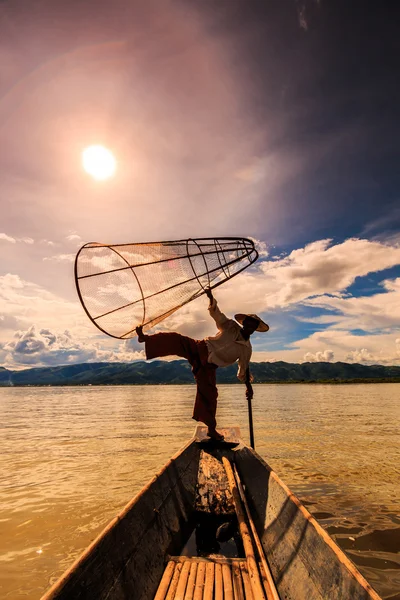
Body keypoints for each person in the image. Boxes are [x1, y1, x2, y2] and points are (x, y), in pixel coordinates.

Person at [135, 289, 269, 440]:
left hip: (209, 366)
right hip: (201, 347)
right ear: (244, 323)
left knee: (210, 395)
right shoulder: (230, 326)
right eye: (247, 323)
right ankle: (145, 339)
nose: (249, 326)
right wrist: (211, 298)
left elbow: (243, 369)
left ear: (254, 329)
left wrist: (248, 387)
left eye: (252, 325)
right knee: (176, 339)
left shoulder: (246, 349)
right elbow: (218, 315)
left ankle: (211, 429)